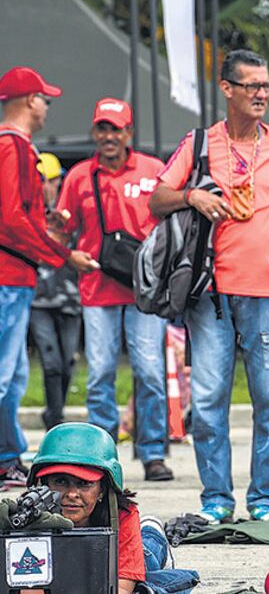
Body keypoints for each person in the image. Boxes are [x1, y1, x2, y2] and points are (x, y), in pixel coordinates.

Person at [150, 49, 269, 523]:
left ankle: (264, 501)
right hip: (212, 295)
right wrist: (192, 196)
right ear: (227, 88)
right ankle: (216, 500)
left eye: (267, 86)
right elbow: (157, 200)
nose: (262, 94)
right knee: (207, 402)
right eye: (252, 86)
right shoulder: (200, 142)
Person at [53, 98, 173, 482]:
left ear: (128, 133)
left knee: (150, 372)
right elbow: (61, 233)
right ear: (94, 132)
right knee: (100, 374)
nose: (109, 136)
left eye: (116, 129)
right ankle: (101, 456)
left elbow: (173, 224)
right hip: (97, 288)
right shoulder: (79, 177)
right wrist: (68, 255)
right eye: (102, 128)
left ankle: (153, 453)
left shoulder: (154, 170)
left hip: (144, 292)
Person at [0, 66, 96, 490]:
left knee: (15, 375)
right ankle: (5, 460)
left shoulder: (15, 146)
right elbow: (10, 218)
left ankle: (8, 458)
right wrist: (63, 255)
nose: (46, 107)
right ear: (29, 101)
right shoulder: (14, 146)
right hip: (8, 277)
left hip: (15, 276)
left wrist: (44, 225)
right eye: (44, 99)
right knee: (5, 375)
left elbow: (16, 215)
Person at [23, 422, 199, 594]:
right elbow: (28, 585)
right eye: (60, 481)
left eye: (84, 483)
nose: (72, 494)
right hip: (64, 575)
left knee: (153, 576)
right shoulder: (27, 514)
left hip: (118, 567)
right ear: (43, 485)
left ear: (103, 489)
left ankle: (152, 531)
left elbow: (122, 587)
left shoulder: (121, 514)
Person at [30, 152, 82, 431]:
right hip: (39, 300)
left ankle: (54, 410)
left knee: (67, 362)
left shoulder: (69, 214)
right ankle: (55, 419)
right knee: (50, 362)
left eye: (53, 180)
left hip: (72, 299)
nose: (48, 186)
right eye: (43, 181)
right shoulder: (29, 215)